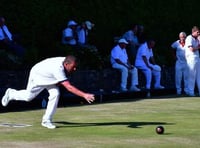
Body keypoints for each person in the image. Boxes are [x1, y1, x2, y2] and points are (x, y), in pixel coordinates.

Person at [1, 55, 95, 129]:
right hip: (38, 75)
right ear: (66, 64)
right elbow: (68, 87)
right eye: (73, 67)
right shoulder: (58, 69)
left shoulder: (66, 61)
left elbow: (61, 80)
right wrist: (84, 95)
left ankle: (46, 120)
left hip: (49, 75)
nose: (75, 69)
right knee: (28, 97)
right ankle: (11, 93)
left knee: (55, 93)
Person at [184, 26, 200, 96]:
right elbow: (192, 49)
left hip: (197, 58)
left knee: (199, 76)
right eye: (197, 32)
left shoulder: (197, 39)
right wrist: (199, 46)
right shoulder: (189, 38)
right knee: (192, 76)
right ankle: (191, 92)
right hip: (191, 58)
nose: (199, 33)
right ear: (193, 32)